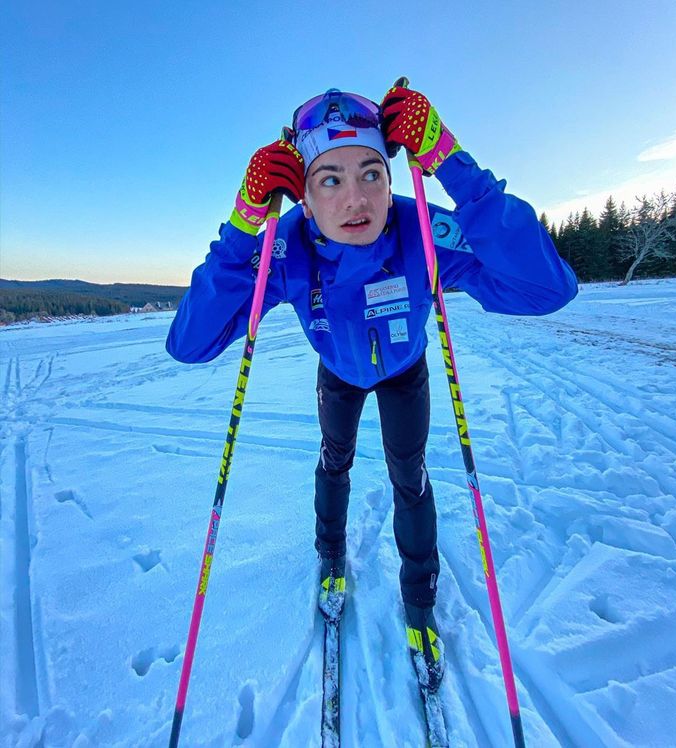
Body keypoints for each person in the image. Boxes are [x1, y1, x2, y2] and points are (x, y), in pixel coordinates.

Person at [166, 85, 578, 691]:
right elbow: (190, 342)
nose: (355, 198)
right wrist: (242, 225)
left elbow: (547, 289)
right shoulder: (285, 248)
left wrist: (452, 163)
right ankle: (331, 557)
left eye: (371, 173)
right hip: (339, 372)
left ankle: (419, 607)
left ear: (392, 179)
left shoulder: (424, 230)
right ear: (303, 197)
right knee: (335, 462)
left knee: (408, 477)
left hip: (404, 370)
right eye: (328, 179)